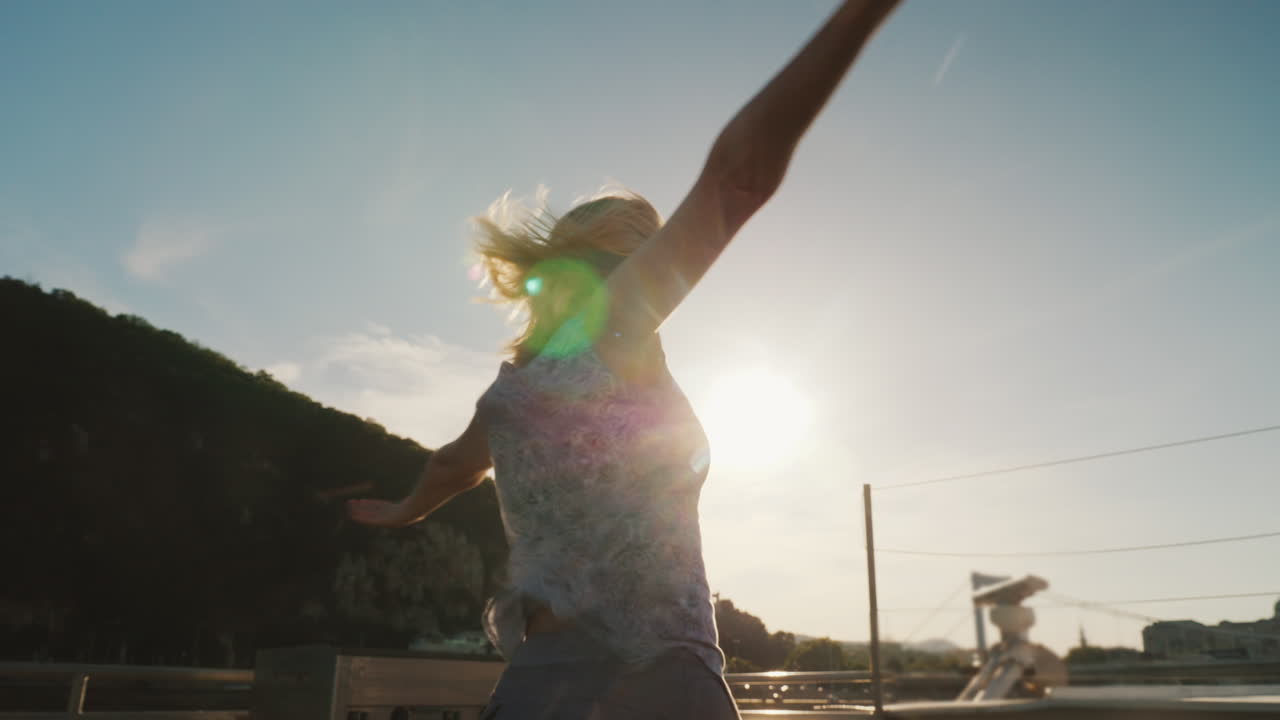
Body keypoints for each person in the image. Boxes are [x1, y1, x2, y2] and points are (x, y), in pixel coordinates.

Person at [348, 1, 901, 716]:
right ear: (631, 259)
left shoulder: (511, 390)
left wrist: (402, 511)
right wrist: (856, 19)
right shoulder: (618, 325)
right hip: (656, 674)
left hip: (537, 679)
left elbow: (456, 465)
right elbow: (736, 181)